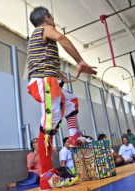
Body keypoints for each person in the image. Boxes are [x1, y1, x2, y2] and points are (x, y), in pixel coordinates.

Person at [27, 7, 97, 190]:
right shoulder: (44, 29)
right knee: (49, 124)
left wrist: (63, 78)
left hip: (49, 81)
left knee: (72, 101)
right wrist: (80, 61)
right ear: (46, 18)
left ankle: (74, 138)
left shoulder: (39, 39)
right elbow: (61, 37)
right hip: (44, 82)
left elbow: (43, 62)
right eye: (51, 16)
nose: (53, 19)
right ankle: (46, 177)